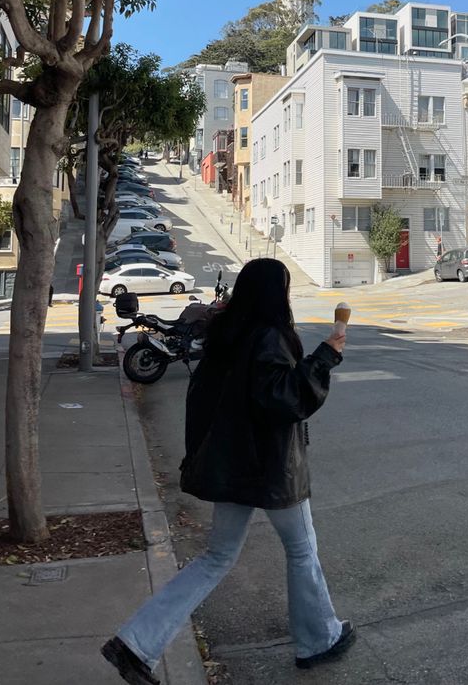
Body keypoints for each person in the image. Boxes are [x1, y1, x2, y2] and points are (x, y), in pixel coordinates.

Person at [101, 258, 354, 685]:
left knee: (217, 557)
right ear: (277, 292)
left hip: (233, 464)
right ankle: (318, 640)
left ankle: (135, 643)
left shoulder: (228, 333)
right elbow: (281, 398)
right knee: (301, 549)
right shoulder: (270, 336)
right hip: (270, 467)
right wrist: (327, 355)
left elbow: (207, 397)